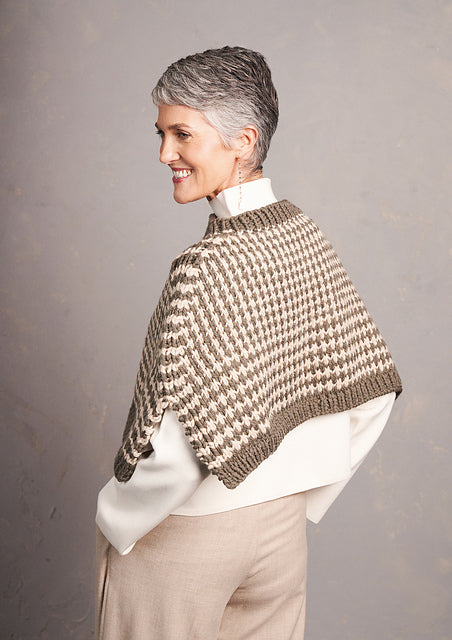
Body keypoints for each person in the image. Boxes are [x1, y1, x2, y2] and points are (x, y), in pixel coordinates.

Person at [95, 46, 402, 640]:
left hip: (186, 537)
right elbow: (371, 390)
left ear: (243, 140)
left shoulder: (204, 267)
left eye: (182, 134)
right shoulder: (304, 236)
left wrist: (116, 515)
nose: (164, 154)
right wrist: (298, 493)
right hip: (281, 536)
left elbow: (177, 443)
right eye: (161, 134)